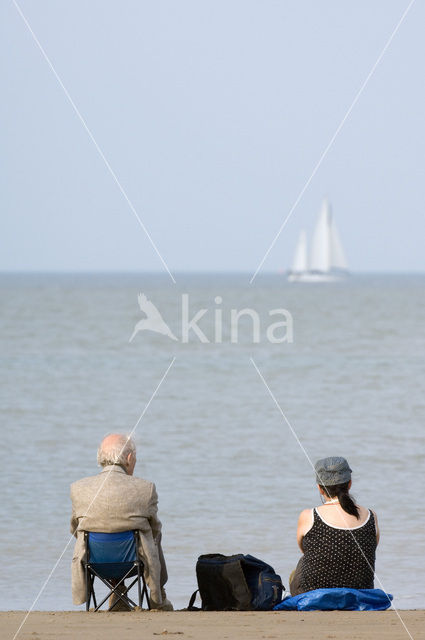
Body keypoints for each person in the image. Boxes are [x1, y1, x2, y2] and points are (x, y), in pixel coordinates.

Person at [70, 433, 173, 610]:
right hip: (134, 562)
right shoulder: (145, 488)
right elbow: (155, 529)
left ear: (99, 457)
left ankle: (117, 592)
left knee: (101, 534)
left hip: (94, 562)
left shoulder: (78, 488)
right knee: (153, 536)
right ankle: (158, 596)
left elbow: (74, 529)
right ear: (130, 458)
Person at [290, 456, 379, 596]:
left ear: (320, 488)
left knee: (302, 563)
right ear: (349, 484)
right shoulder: (370, 515)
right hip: (362, 591)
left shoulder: (308, 515)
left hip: (313, 592)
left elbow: (304, 550)